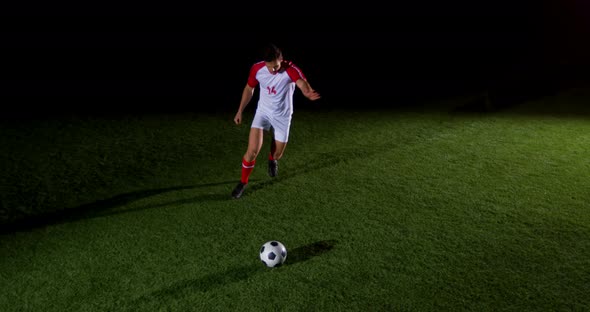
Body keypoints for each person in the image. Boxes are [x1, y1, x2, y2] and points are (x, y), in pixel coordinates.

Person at [231, 43, 321, 199]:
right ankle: (242, 182)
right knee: (251, 152)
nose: (273, 70)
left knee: (278, 154)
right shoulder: (257, 69)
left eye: (276, 66)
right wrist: (240, 110)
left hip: (282, 117)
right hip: (263, 113)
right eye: (270, 67)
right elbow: (249, 88)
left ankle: (272, 159)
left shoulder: (290, 69)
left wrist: (307, 92)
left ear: (281, 59)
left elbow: (301, 83)